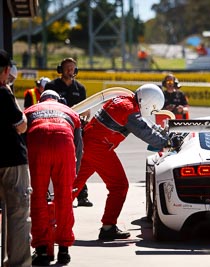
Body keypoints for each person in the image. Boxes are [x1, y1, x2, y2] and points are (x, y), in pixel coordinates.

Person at [72, 83, 181, 240]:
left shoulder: (123, 100)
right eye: (152, 108)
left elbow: (145, 123)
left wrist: (163, 134)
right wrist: (167, 141)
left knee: (73, 186)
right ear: (149, 102)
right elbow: (144, 131)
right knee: (119, 186)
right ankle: (108, 227)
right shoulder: (129, 110)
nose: (151, 111)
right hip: (99, 148)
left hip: (88, 144)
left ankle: (50, 221)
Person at [25, 90, 83, 265]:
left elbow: (20, 140)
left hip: (38, 143)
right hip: (64, 145)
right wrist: (75, 172)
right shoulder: (70, 112)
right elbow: (79, 147)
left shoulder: (29, 111)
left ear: (41, 100)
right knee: (64, 198)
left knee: (38, 198)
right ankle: (64, 250)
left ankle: (41, 250)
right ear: (59, 100)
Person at [45, 57, 93, 207]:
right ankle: (50, 193)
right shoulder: (51, 86)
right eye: (67, 68)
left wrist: (85, 115)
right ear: (61, 70)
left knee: (79, 160)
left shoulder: (80, 88)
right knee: (53, 161)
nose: (70, 71)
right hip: (56, 128)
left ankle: (81, 195)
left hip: (75, 128)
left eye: (72, 68)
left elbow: (86, 111)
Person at [0, 49, 32, 267]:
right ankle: (18, 263)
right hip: (11, 159)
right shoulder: (3, 93)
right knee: (18, 213)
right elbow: (21, 124)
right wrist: (10, 92)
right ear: (4, 71)